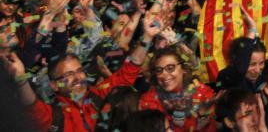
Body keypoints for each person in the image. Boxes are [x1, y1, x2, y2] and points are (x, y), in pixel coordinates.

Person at [6, 11, 163, 132]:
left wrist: (147, 37)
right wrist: (20, 79)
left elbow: (127, 72)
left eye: (79, 70)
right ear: (54, 85)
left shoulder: (100, 96)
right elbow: (32, 107)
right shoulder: (54, 116)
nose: (77, 78)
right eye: (68, 75)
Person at [139, 46, 218, 131]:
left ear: (184, 69)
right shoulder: (148, 100)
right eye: (159, 70)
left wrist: (203, 115)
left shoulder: (203, 94)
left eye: (170, 68)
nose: (164, 74)